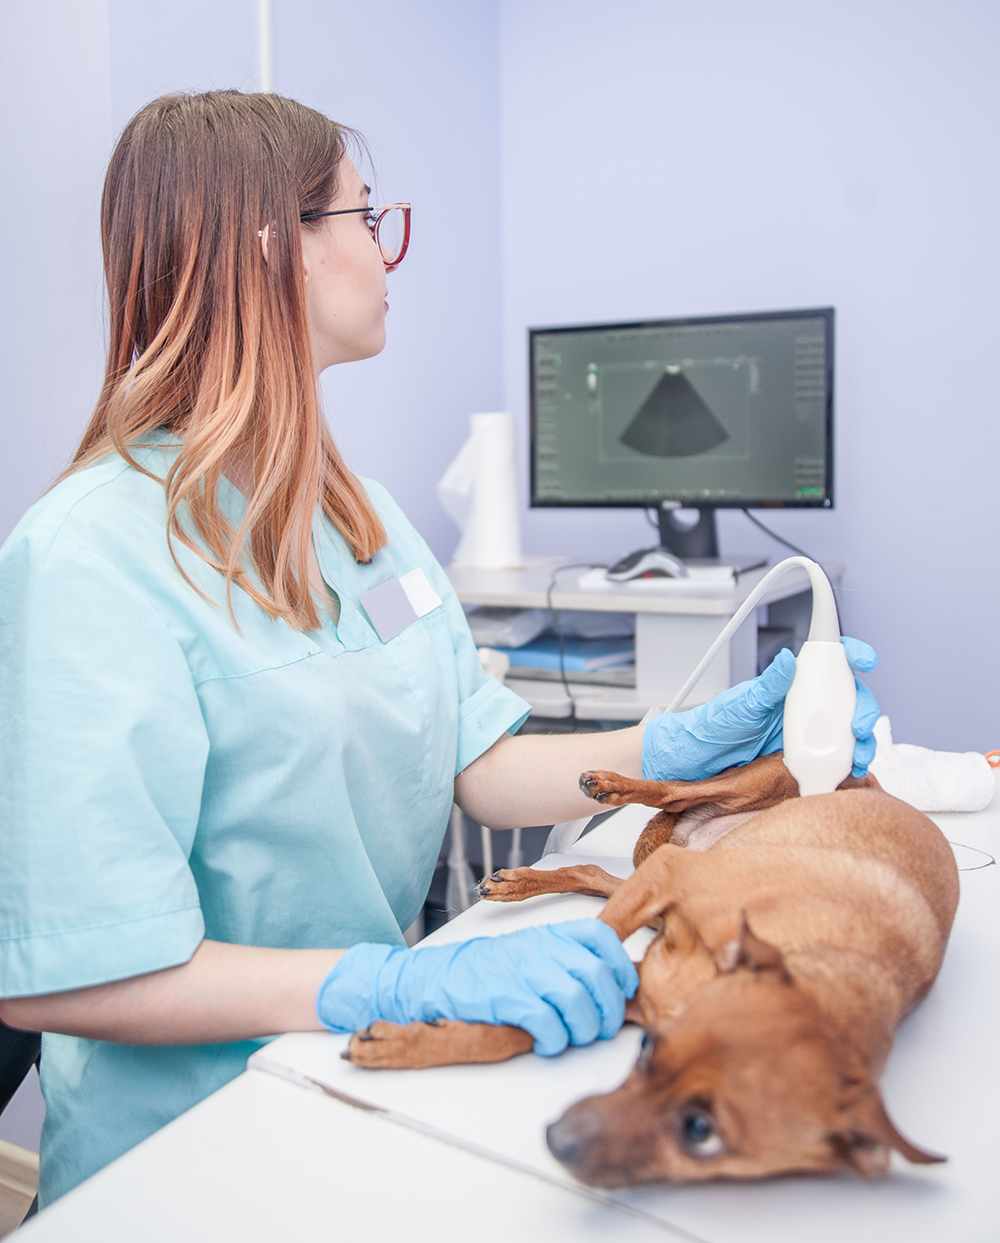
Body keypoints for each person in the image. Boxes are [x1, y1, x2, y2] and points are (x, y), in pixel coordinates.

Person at [0, 90, 879, 1204]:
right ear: (275, 247)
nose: (386, 249)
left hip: (357, 1090)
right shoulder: (86, 557)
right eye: (366, 217)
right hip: (184, 1158)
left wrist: (684, 745)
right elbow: (70, 975)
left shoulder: (358, 514)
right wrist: (393, 980)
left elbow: (476, 761)